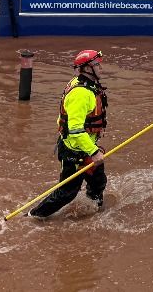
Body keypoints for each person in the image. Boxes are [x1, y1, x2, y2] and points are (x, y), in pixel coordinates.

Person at [28, 49, 110, 218]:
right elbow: (75, 129)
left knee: (98, 182)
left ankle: (94, 212)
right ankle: (34, 216)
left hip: (86, 146)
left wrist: (92, 148)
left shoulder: (87, 85)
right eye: (97, 65)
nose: (101, 68)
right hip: (74, 149)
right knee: (67, 192)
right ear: (87, 69)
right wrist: (94, 152)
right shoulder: (81, 93)